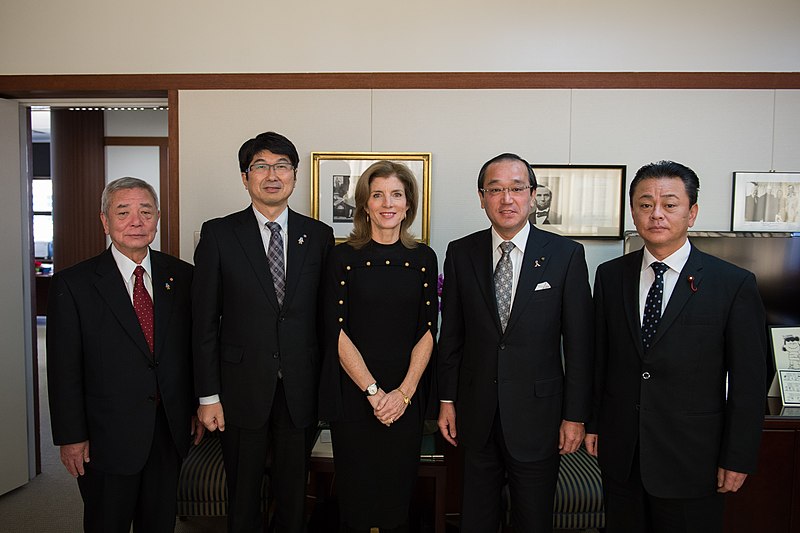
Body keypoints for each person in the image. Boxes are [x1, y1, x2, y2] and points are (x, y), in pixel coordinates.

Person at [586, 160, 768, 533]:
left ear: (692, 212)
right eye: (645, 204)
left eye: (669, 204)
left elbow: (750, 381)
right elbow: (600, 360)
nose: (657, 214)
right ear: (633, 211)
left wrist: (738, 456)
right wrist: (594, 424)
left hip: (693, 460)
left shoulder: (732, 284)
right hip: (623, 456)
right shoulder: (610, 276)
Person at [437, 153, 594, 532]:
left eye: (516, 188)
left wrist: (575, 415)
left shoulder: (566, 255)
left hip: (539, 417)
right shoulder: (461, 253)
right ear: (481, 197)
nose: (506, 199)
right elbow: (452, 335)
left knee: (533, 518)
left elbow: (579, 345)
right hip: (477, 414)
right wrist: (446, 400)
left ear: (533, 194)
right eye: (495, 190)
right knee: (477, 518)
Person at [192, 131, 334, 532]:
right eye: (261, 166)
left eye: (282, 166)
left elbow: (326, 321)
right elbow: (203, 322)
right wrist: (208, 395)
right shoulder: (219, 234)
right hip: (239, 389)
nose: (272, 175)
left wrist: (326, 389)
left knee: (294, 497)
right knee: (242, 496)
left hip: (299, 389)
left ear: (294, 174)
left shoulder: (318, 236)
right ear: (244, 176)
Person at [47, 177, 203, 533]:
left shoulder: (183, 276)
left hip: (167, 431)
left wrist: (193, 405)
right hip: (105, 437)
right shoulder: (74, 285)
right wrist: (71, 436)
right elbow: (63, 369)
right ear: (105, 221)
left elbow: (191, 349)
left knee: (159, 524)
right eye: (123, 212)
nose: (136, 221)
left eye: (145, 211)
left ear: (158, 217)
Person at [318, 161, 438, 532]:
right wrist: (373, 393)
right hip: (355, 397)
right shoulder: (342, 257)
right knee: (356, 498)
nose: (388, 203)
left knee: (396, 497)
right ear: (364, 205)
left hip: (405, 398)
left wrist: (402, 394)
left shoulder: (424, 258)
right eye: (378, 194)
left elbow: (429, 331)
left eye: (397, 194)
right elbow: (335, 332)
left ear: (408, 204)